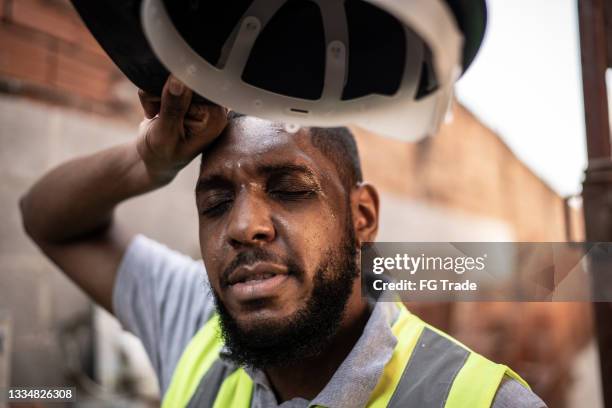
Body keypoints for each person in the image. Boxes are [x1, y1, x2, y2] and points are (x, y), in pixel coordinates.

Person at [20, 76, 547, 408]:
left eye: (291, 190)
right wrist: (149, 161)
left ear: (361, 216)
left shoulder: (482, 399)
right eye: (216, 203)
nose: (244, 227)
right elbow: (44, 218)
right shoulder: (194, 325)